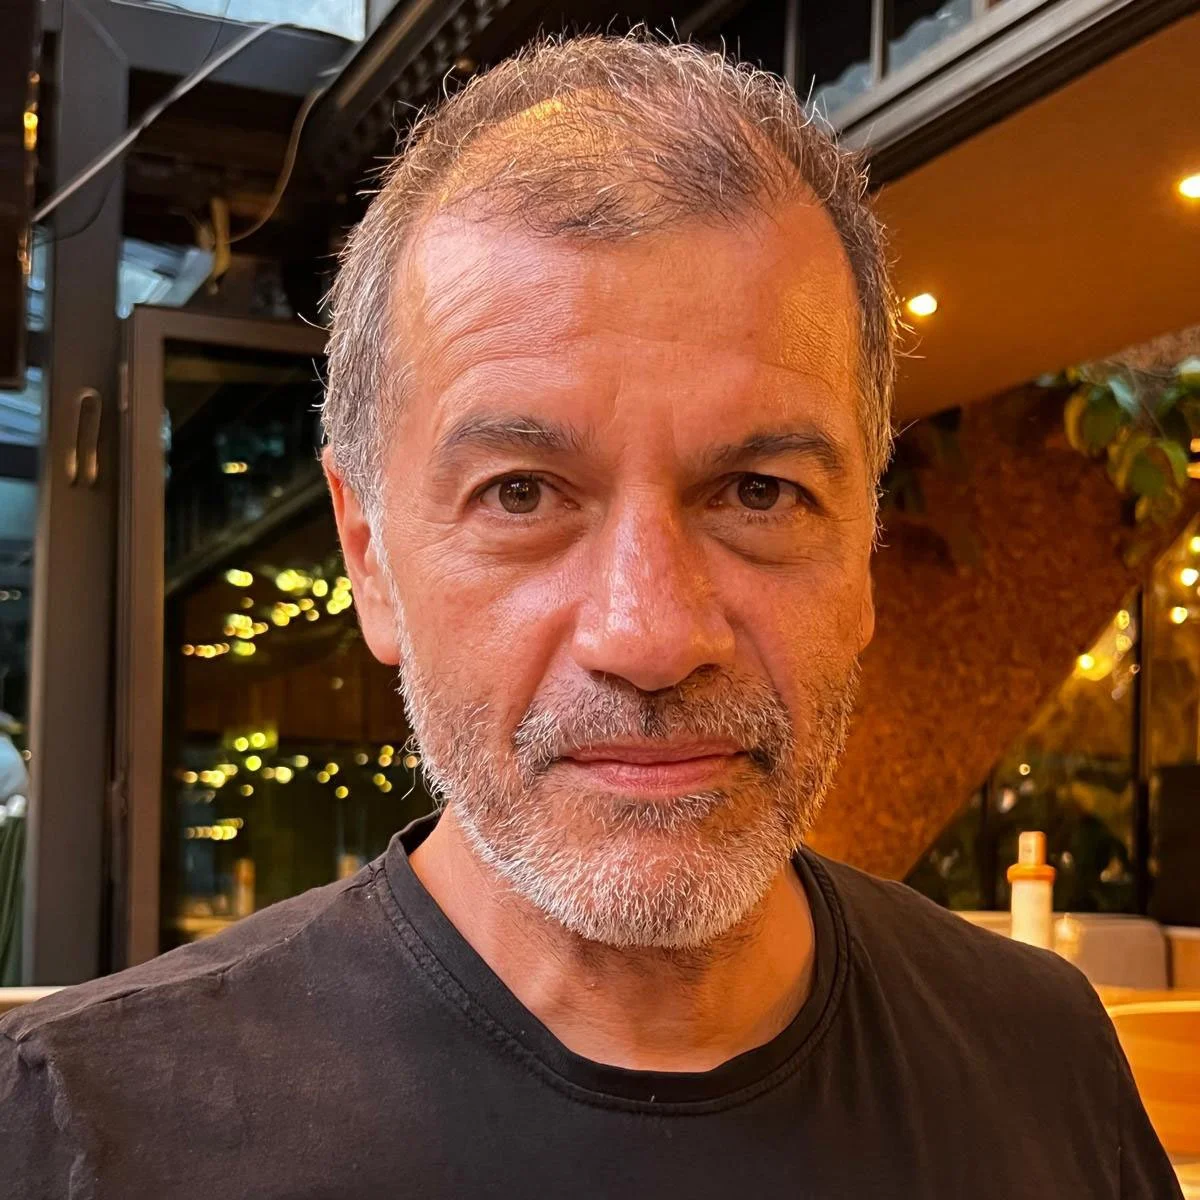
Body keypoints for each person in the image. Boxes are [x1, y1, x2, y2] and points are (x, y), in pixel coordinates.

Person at [0, 34, 1180, 1199]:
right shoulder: (87, 1132)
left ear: (863, 546)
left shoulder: (1043, 1056)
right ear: (371, 557)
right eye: (521, 493)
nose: (650, 635)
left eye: (759, 492)